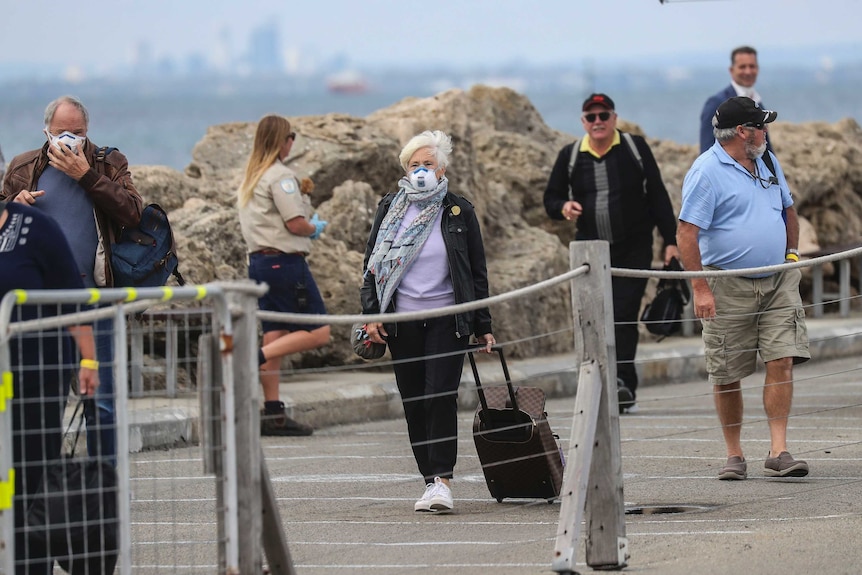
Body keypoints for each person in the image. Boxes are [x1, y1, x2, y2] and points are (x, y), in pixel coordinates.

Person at [2, 95, 143, 463]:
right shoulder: (22, 166)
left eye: (76, 132)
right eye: (61, 132)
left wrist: (86, 176)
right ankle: (41, 481)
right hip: (38, 306)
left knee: (102, 399)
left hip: (94, 300)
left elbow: (132, 213)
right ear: (46, 131)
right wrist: (14, 203)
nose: (69, 139)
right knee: (40, 400)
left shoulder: (108, 163)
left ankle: (106, 481)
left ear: (87, 131)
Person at [361, 130, 495, 514]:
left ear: (443, 168)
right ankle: (428, 479)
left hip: (446, 320)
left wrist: (482, 323)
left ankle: (442, 479)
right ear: (405, 170)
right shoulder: (390, 209)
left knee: (440, 396)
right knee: (415, 400)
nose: (421, 171)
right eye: (414, 165)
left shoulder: (458, 211)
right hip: (401, 321)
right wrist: (371, 316)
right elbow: (372, 265)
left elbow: (475, 271)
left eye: (428, 165)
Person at [677, 96, 811, 480]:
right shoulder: (706, 171)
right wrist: (700, 289)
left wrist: (792, 257)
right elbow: (687, 232)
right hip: (726, 284)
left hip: (779, 280)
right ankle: (734, 454)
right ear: (742, 132)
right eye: (760, 125)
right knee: (726, 373)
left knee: (782, 359)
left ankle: (779, 450)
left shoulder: (767, 159)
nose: (765, 132)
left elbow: (788, 208)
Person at [543, 93, 680, 414]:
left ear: (614, 118)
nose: (598, 122)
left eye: (604, 116)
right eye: (591, 118)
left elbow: (658, 195)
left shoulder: (634, 148)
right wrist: (563, 206)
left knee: (622, 313)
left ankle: (623, 384)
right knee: (595, 317)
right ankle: (600, 383)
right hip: (591, 250)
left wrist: (670, 241)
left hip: (634, 247)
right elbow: (550, 198)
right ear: (583, 123)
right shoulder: (571, 155)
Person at [1, 200, 99, 574]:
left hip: (36, 376)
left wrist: (88, 359)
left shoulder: (35, 227)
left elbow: (71, 295)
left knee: (29, 480)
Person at [236, 114, 330, 437]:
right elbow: (294, 223)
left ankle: (273, 412)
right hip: (284, 263)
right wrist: (313, 228)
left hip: (259, 264)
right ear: (281, 141)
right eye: (291, 137)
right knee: (320, 331)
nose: (293, 143)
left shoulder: (251, 177)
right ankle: (252, 357)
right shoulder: (280, 176)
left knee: (275, 332)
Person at [700, 46, 772, 154]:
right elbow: (707, 149)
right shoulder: (716, 103)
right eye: (742, 67)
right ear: (732, 70)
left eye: (752, 66)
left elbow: (766, 148)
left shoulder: (758, 104)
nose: (748, 72)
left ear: (757, 69)